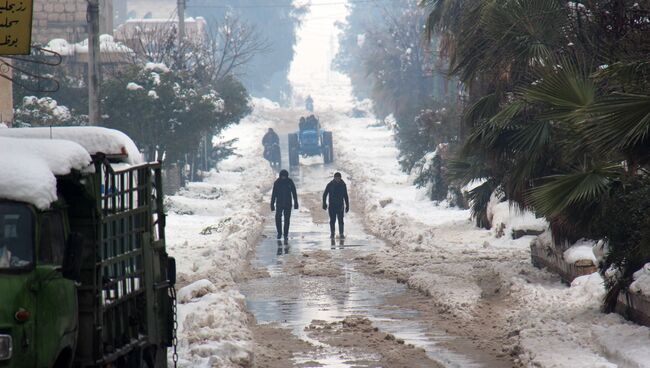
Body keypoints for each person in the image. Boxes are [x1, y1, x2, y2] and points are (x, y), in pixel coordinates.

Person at [271, 169, 298, 240]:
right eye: (282, 176)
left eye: (284, 176)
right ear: (280, 176)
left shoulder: (289, 182)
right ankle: (279, 233)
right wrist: (272, 204)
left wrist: (296, 202)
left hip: (288, 204)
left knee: (287, 219)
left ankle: (285, 234)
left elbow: (294, 192)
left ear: (287, 176)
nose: (283, 178)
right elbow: (274, 194)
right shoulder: (277, 182)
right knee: (277, 218)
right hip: (279, 204)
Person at [322, 172, 349, 239]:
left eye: (339, 178)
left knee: (340, 220)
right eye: (336, 178)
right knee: (332, 220)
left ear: (340, 178)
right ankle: (332, 233)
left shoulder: (343, 185)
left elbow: (346, 196)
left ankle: (341, 234)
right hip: (332, 206)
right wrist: (324, 203)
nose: (337, 179)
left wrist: (347, 205)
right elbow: (325, 194)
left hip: (340, 206)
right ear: (334, 178)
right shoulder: (330, 185)